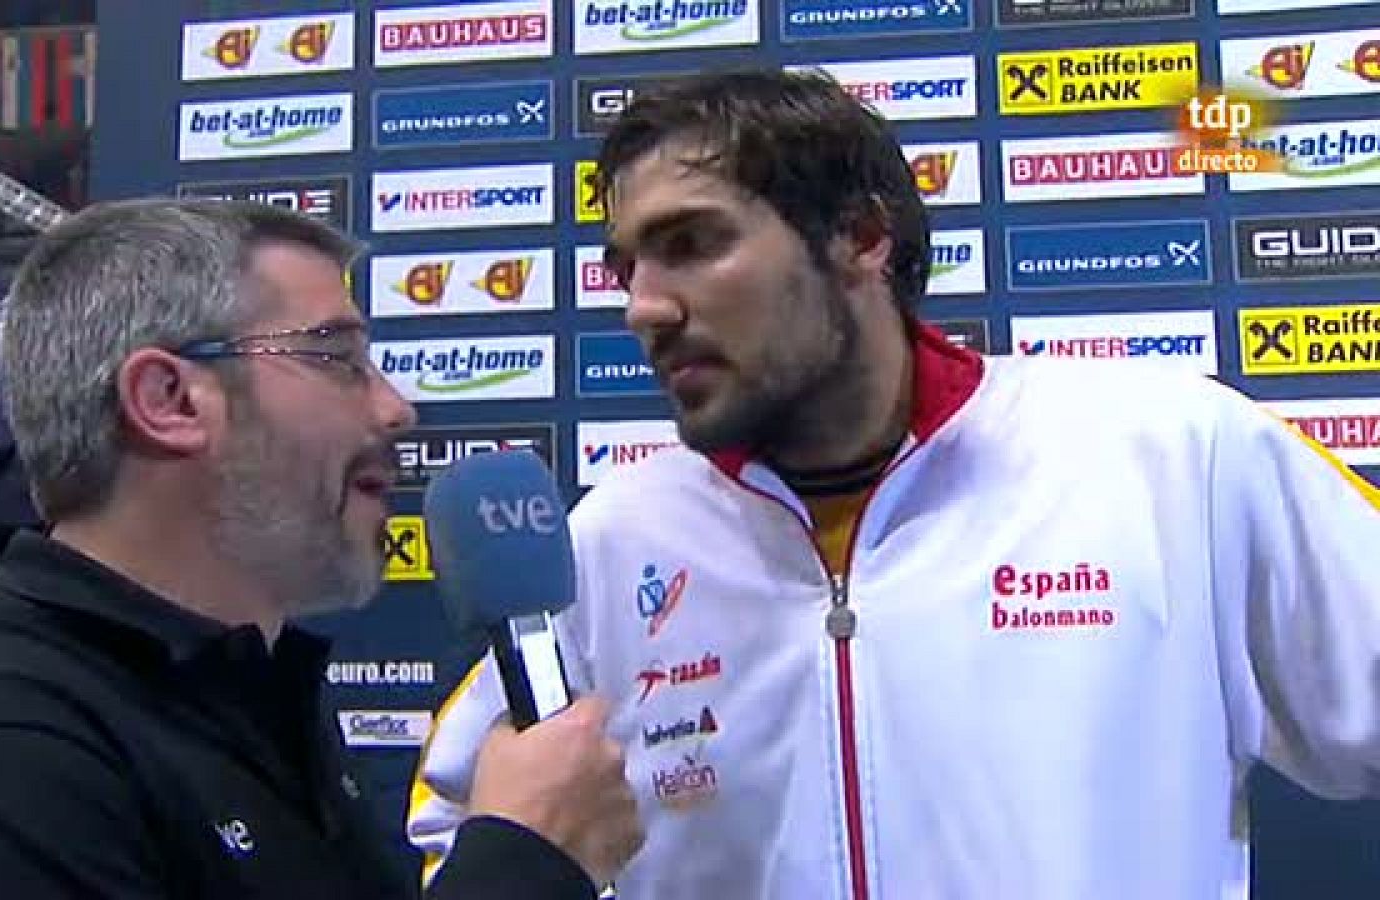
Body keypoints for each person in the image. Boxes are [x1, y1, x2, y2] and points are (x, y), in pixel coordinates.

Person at [407, 67, 1380, 899]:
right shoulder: (612, 540)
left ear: (861, 238)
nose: (644, 308)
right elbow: (466, 823)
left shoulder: (1170, 452)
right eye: (625, 267)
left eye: (692, 245)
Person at [0, 198, 642, 899]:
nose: (394, 408)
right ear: (170, 399)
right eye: (338, 358)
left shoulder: (234, 702)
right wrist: (524, 868)